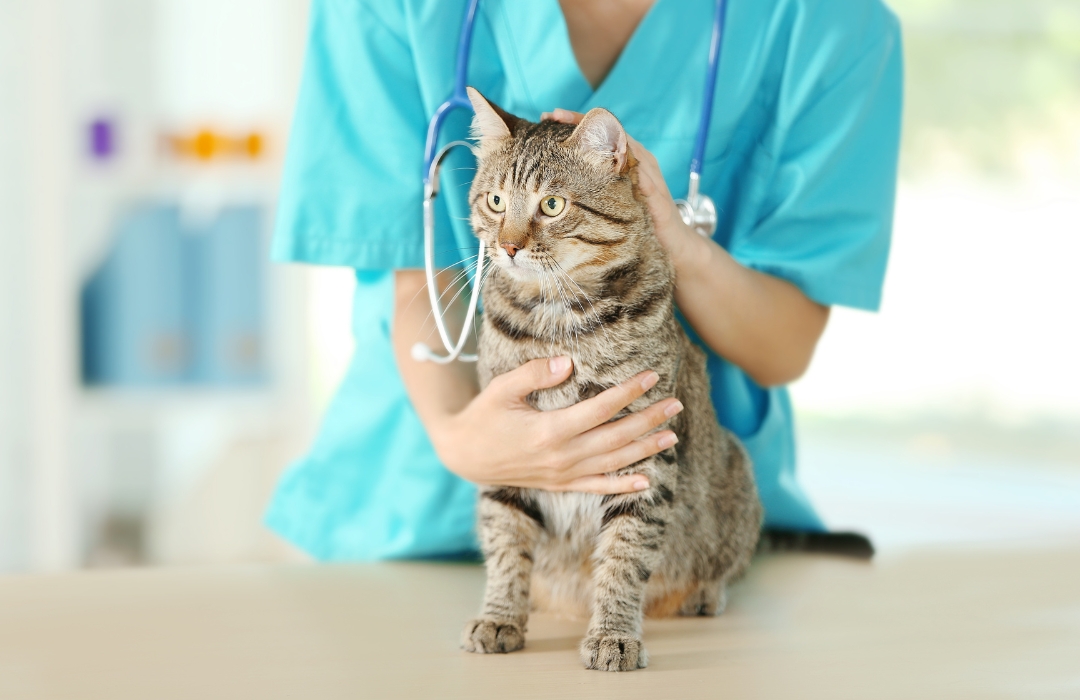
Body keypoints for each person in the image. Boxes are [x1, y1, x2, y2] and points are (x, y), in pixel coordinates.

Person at [265, 0, 903, 560]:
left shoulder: (834, 24)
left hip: (668, 526)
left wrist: (677, 243)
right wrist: (458, 438)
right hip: (411, 514)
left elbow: (785, 344)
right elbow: (414, 275)